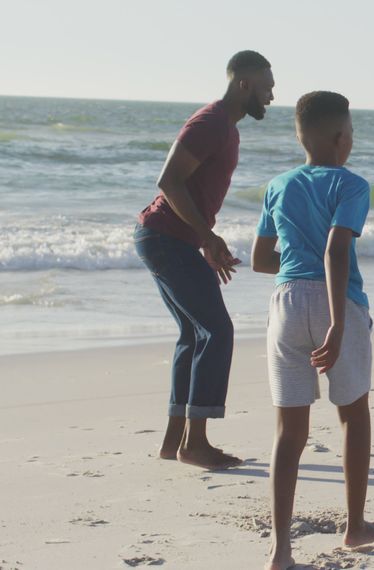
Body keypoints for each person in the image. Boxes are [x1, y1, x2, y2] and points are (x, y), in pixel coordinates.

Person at [251, 91, 374, 570]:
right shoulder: (352, 185)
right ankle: (354, 527)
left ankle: (280, 550)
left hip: (286, 303)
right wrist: (334, 321)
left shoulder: (278, 184)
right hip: (338, 303)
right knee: (353, 414)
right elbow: (335, 251)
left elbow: (260, 260)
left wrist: (298, 267)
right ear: (340, 138)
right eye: (350, 134)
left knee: (289, 432)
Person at [133, 50, 274, 469]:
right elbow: (168, 181)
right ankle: (195, 443)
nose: (271, 94)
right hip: (165, 238)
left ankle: (174, 441)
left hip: (171, 239)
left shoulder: (226, 127)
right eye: (267, 85)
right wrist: (205, 236)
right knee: (217, 331)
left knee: (195, 335)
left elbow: (190, 189)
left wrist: (206, 241)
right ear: (244, 83)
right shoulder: (210, 122)